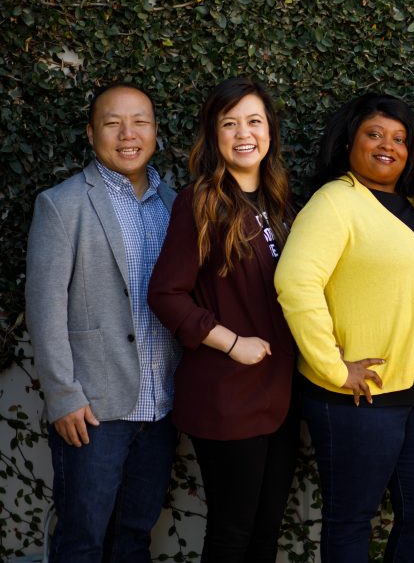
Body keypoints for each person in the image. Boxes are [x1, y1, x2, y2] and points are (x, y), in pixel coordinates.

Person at [275, 94, 414, 563]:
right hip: (360, 396)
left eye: (400, 139)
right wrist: (334, 367)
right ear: (349, 141)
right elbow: (295, 282)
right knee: (351, 519)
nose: (388, 147)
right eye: (375, 134)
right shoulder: (335, 201)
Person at [25, 82, 180, 562]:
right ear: (92, 134)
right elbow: (44, 306)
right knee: (82, 540)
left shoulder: (176, 205)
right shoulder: (63, 204)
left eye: (140, 122)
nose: (127, 133)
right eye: (113, 123)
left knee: (133, 538)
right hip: (92, 411)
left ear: (155, 132)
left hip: (160, 408)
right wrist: (63, 395)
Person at [147, 77, 298, 563]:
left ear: (270, 130)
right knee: (233, 534)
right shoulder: (201, 201)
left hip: (279, 392)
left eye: (254, 121)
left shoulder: (278, 201)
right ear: (213, 136)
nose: (243, 133)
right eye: (228, 124)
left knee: (265, 532)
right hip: (228, 392)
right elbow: (166, 294)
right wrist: (233, 342)